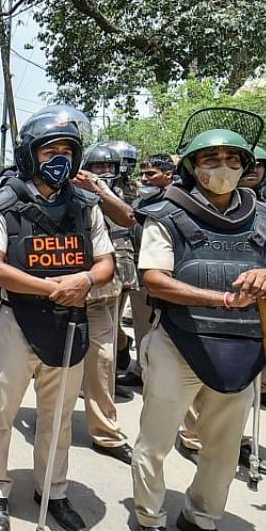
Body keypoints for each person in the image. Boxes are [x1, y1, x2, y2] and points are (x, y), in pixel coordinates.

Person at [132, 121, 266, 531]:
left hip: (243, 348)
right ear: (192, 167)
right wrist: (219, 298)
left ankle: (202, 517)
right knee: (157, 439)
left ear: (247, 167)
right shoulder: (165, 213)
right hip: (180, 342)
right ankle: (150, 519)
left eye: (232, 160)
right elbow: (154, 279)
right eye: (210, 160)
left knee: (225, 448)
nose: (222, 167)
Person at [0, 105, 115, 531]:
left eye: (67, 150)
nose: (59, 158)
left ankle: (52, 492)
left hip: (70, 323)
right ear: (30, 155)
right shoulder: (5, 203)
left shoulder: (87, 207)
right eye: (49, 149)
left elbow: (106, 262)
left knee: (57, 419)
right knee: (1, 412)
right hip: (16, 321)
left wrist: (86, 279)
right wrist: (50, 287)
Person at [74, 143, 137, 464]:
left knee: (101, 360)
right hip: (61, 290)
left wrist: (96, 190)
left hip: (100, 291)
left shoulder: (99, 190)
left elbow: (128, 218)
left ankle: (105, 433)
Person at [118, 153, 176, 392]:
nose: (144, 179)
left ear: (168, 175)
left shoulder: (175, 201)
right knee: (143, 326)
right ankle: (141, 372)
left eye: (150, 174)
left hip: (164, 276)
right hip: (140, 274)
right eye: (142, 174)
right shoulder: (144, 201)